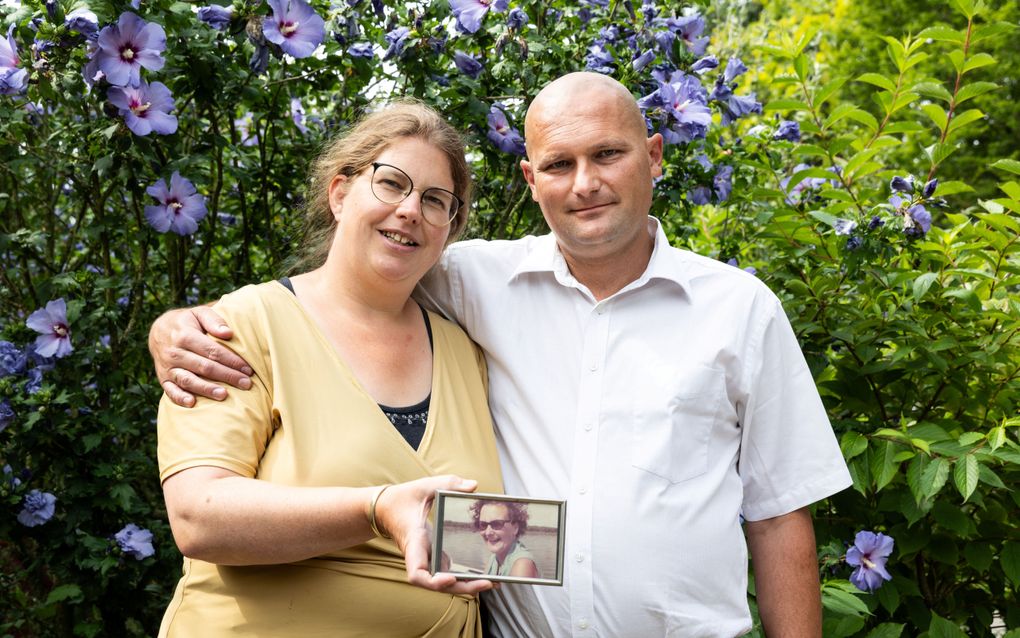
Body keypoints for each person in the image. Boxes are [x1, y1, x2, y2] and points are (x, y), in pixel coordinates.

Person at [149, 73, 852, 637]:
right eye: (559, 163)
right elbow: (336, 295)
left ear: (656, 156)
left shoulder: (737, 308)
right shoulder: (474, 284)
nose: (585, 183)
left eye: (608, 154)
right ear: (530, 178)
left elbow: (778, 510)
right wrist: (175, 325)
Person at [153, 102, 503, 637]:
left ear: (448, 229)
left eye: (437, 201)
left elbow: (478, 538)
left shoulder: (467, 351)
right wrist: (376, 508)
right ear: (340, 193)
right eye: (392, 183)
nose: (411, 210)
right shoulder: (240, 328)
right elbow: (199, 517)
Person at [470, 500, 540, 578]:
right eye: (483, 525)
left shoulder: (522, 565)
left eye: (497, 524)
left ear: (515, 528)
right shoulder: (495, 557)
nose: (488, 532)